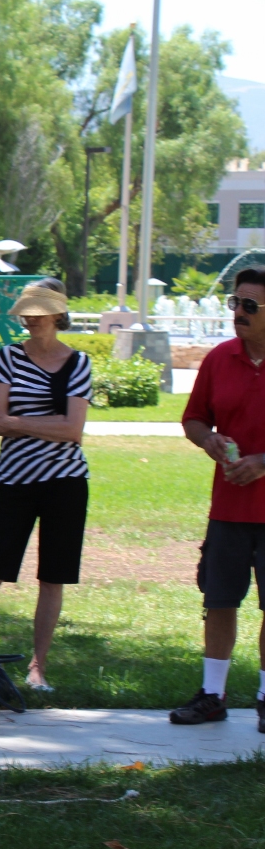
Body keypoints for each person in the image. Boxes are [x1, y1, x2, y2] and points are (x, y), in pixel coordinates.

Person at [0, 278, 92, 692]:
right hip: (14, 481)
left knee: (51, 578)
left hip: (66, 481)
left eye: (41, 312)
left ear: (58, 315)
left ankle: (38, 668)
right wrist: (41, 426)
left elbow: (73, 431)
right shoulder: (8, 358)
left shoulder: (79, 363)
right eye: (27, 312)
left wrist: (18, 424)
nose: (32, 319)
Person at [171, 266, 265, 730]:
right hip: (227, 510)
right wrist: (206, 440)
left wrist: (263, 461)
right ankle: (212, 695)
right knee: (220, 600)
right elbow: (192, 419)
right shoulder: (218, 358)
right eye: (235, 304)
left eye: (250, 306)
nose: (239, 314)